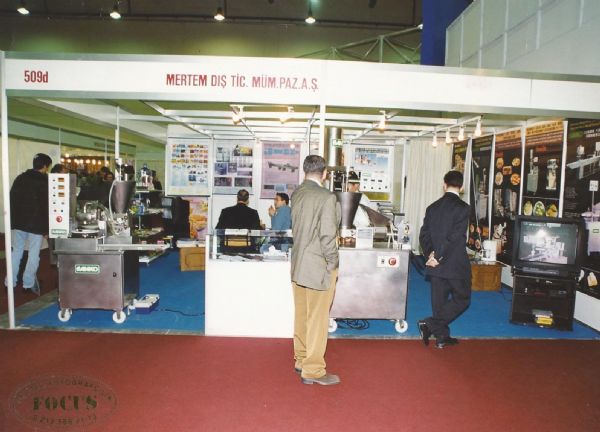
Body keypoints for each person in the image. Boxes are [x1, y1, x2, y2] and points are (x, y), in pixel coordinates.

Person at [290, 155, 341, 385]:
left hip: (298, 264)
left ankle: (301, 359)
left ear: (304, 171)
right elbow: (328, 236)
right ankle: (313, 370)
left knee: (302, 315)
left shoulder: (297, 193)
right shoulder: (327, 197)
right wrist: (333, 263)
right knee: (318, 319)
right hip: (318, 266)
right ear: (325, 173)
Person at [418, 170, 471, 349]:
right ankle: (433, 327)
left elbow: (424, 235)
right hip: (455, 264)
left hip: (436, 265)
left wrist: (431, 255)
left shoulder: (432, 207)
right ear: (461, 188)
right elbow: (454, 238)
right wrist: (438, 256)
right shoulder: (464, 208)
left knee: (439, 303)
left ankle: (441, 336)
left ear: (444, 185)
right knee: (462, 299)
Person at [6, 153, 52, 294]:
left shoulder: (20, 178)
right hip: (36, 224)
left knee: (16, 252)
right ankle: (28, 283)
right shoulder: (44, 181)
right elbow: (46, 206)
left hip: (19, 223)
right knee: (33, 254)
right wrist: (47, 229)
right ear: (45, 166)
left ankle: (10, 282)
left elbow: (11, 200)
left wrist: (13, 221)